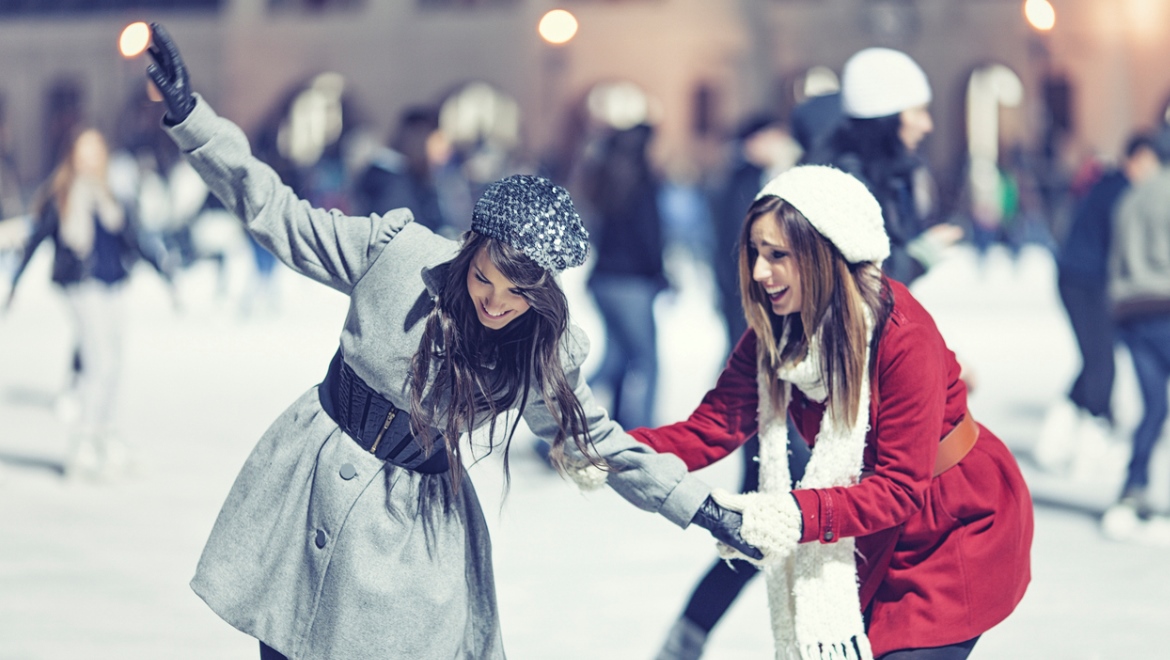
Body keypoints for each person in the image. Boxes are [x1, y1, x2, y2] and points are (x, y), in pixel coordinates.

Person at [143, 23, 757, 660]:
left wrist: (700, 507)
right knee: (289, 643)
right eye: (485, 278)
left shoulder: (540, 352)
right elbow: (279, 214)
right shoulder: (398, 254)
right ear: (470, 249)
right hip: (314, 476)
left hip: (413, 522)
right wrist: (193, 120)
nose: (495, 302)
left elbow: (595, 440)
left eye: (517, 295)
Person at [631, 165, 1033, 659]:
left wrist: (790, 514)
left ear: (825, 254)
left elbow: (901, 487)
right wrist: (609, 449)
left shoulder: (902, 334)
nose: (760, 271)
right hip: (870, 528)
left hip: (953, 526)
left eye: (777, 255)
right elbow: (714, 426)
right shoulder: (777, 331)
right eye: (756, 253)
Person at [652, 114, 805, 660]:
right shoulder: (755, 190)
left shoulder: (764, 184)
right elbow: (713, 427)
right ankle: (686, 635)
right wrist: (622, 451)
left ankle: (687, 635)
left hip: (771, 349)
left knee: (776, 525)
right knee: (765, 521)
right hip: (764, 353)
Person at [4, 126, 172, 479]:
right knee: (98, 361)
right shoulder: (62, 195)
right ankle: (83, 439)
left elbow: (133, 238)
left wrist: (163, 270)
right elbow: (36, 241)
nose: (90, 158)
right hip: (81, 286)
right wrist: (14, 285)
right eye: (84, 151)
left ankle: (105, 432)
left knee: (115, 358)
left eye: (96, 150)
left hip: (113, 284)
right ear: (73, 155)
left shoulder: (113, 194)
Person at [1033, 133, 1161, 475]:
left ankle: (1058, 432)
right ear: (1135, 159)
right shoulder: (1121, 192)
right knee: (1101, 364)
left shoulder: (1110, 185)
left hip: (1084, 280)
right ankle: (1090, 439)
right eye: (1150, 163)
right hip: (1085, 283)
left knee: (1096, 359)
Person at [808, 47, 961, 287]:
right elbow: (868, 281)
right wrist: (917, 257)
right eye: (918, 111)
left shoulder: (880, 173)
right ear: (888, 117)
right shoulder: (847, 181)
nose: (927, 125)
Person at [1101, 128, 1170, 546]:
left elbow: (1116, 261)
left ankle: (1134, 483)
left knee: (1153, 406)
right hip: (1165, 304)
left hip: (1131, 312)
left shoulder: (1127, 200)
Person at [581, 123, 667, 429]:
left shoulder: (607, 179)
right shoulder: (642, 183)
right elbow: (649, 236)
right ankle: (643, 433)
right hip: (632, 282)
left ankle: (557, 422)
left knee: (614, 362)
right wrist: (659, 273)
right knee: (647, 363)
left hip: (604, 279)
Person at [352, 106, 451, 233]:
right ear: (420, 141)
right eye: (439, 141)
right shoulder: (391, 183)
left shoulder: (405, 177)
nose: (446, 150)